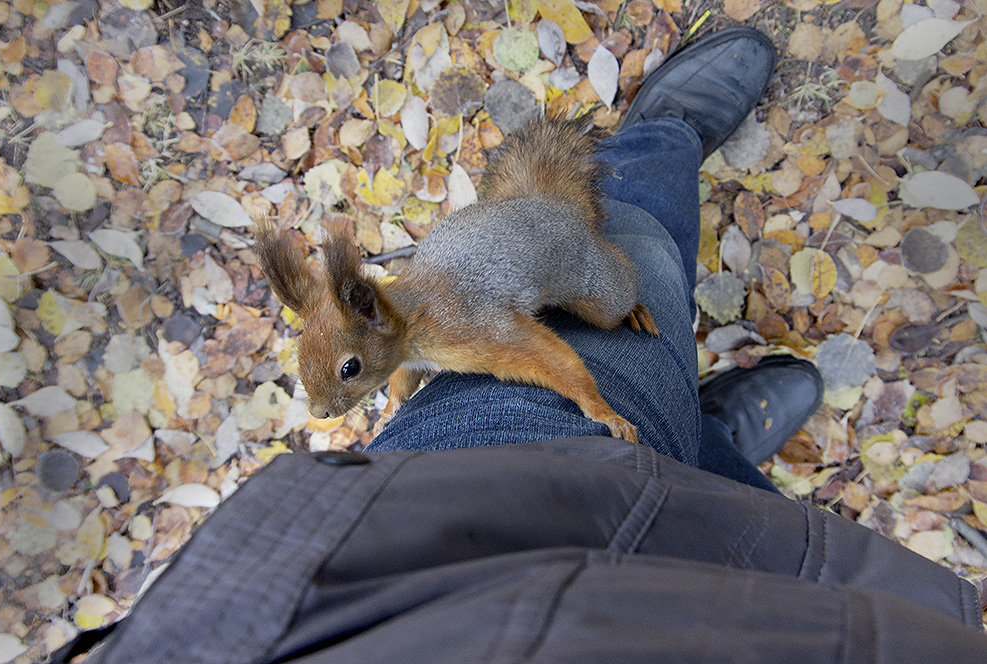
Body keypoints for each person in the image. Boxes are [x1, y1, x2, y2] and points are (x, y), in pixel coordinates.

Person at [50, 27, 985, 664]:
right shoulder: (399, 339)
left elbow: (540, 357)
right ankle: (705, 440)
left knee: (640, 273)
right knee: (686, 472)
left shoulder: (451, 334)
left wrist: (587, 401)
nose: (330, 404)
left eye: (344, 378)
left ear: (375, 325)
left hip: (543, 307)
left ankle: (652, 148)